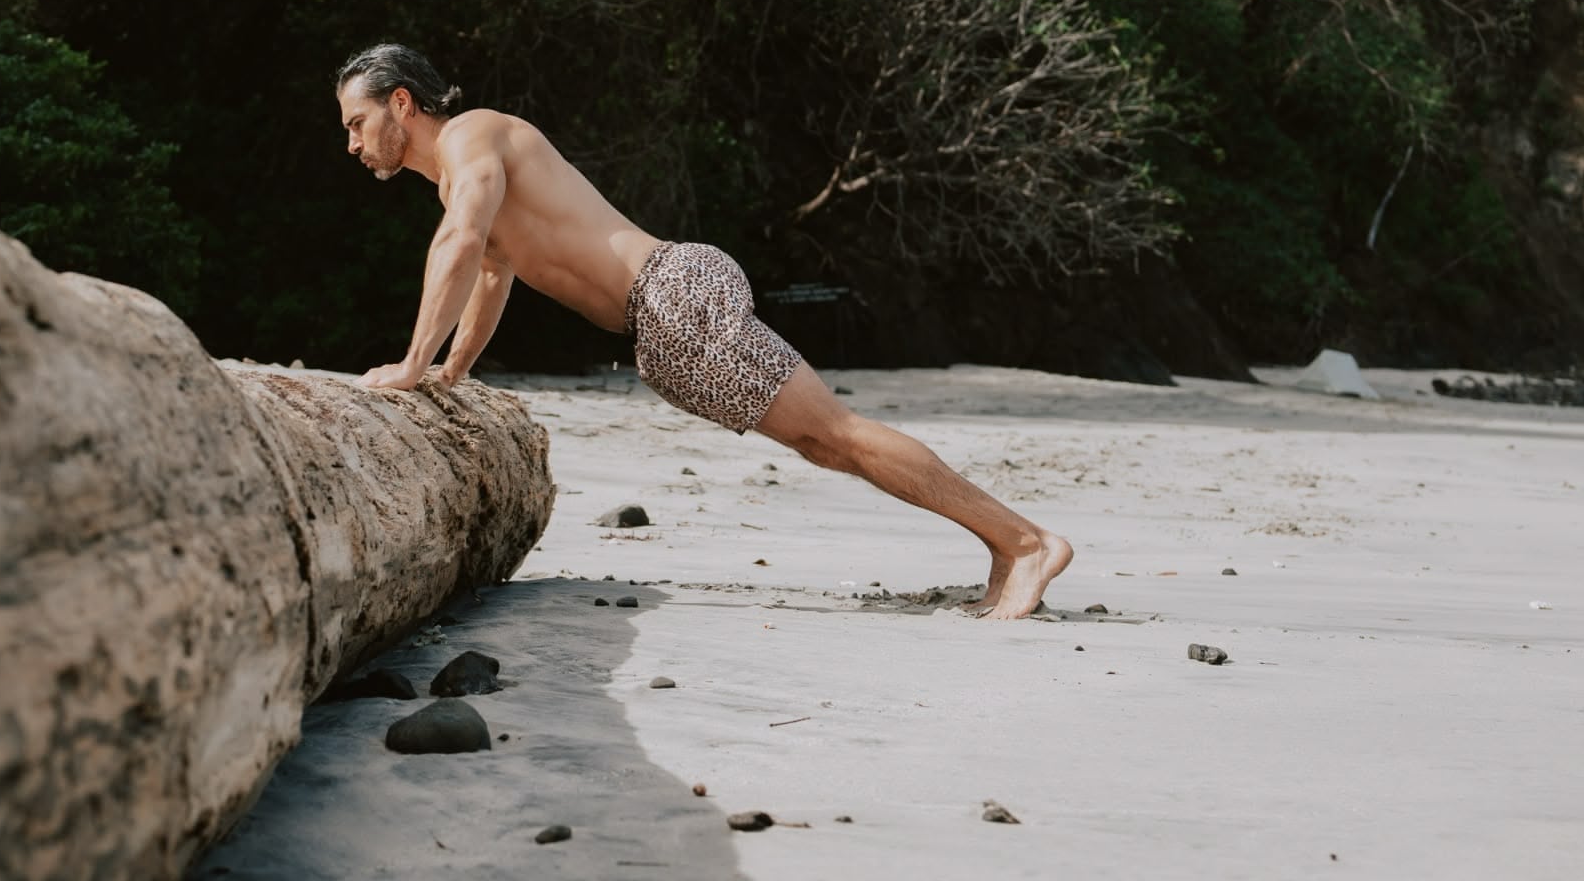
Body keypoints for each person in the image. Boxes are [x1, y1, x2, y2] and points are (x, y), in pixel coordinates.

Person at [335, 43, 1074, 621]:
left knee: (839, 433)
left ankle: (1026, 541)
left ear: (402, 102)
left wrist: (408, 364)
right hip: (663, 324)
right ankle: (1008, 544)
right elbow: (492, 275)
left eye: (358, 123)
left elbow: (460, 243)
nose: (353, 144)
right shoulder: (460, 174)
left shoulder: (472, 137)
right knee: (825, 443)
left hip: (672, 296)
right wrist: (450, 373)